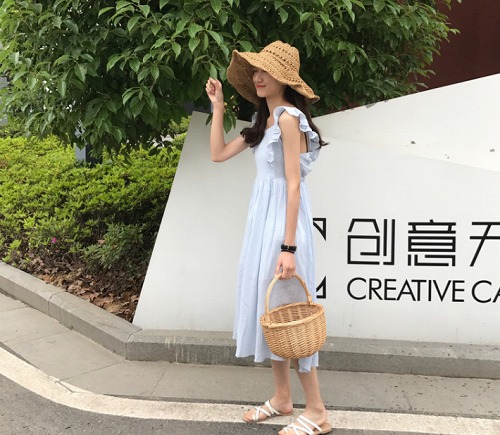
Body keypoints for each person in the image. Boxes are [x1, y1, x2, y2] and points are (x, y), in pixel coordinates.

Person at [205, 40, 331, 435]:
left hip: (284, 228)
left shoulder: (290, 119)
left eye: (266, 71)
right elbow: (217, 154)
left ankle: (317, 411)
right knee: (270, 312)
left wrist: (288, 247)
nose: (258, 77)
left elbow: (293, 185)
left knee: (291, 314)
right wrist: (218, 108)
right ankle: (282, 398)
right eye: (255, 71)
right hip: (263, 226)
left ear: (284, 78)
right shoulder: (265, 124)